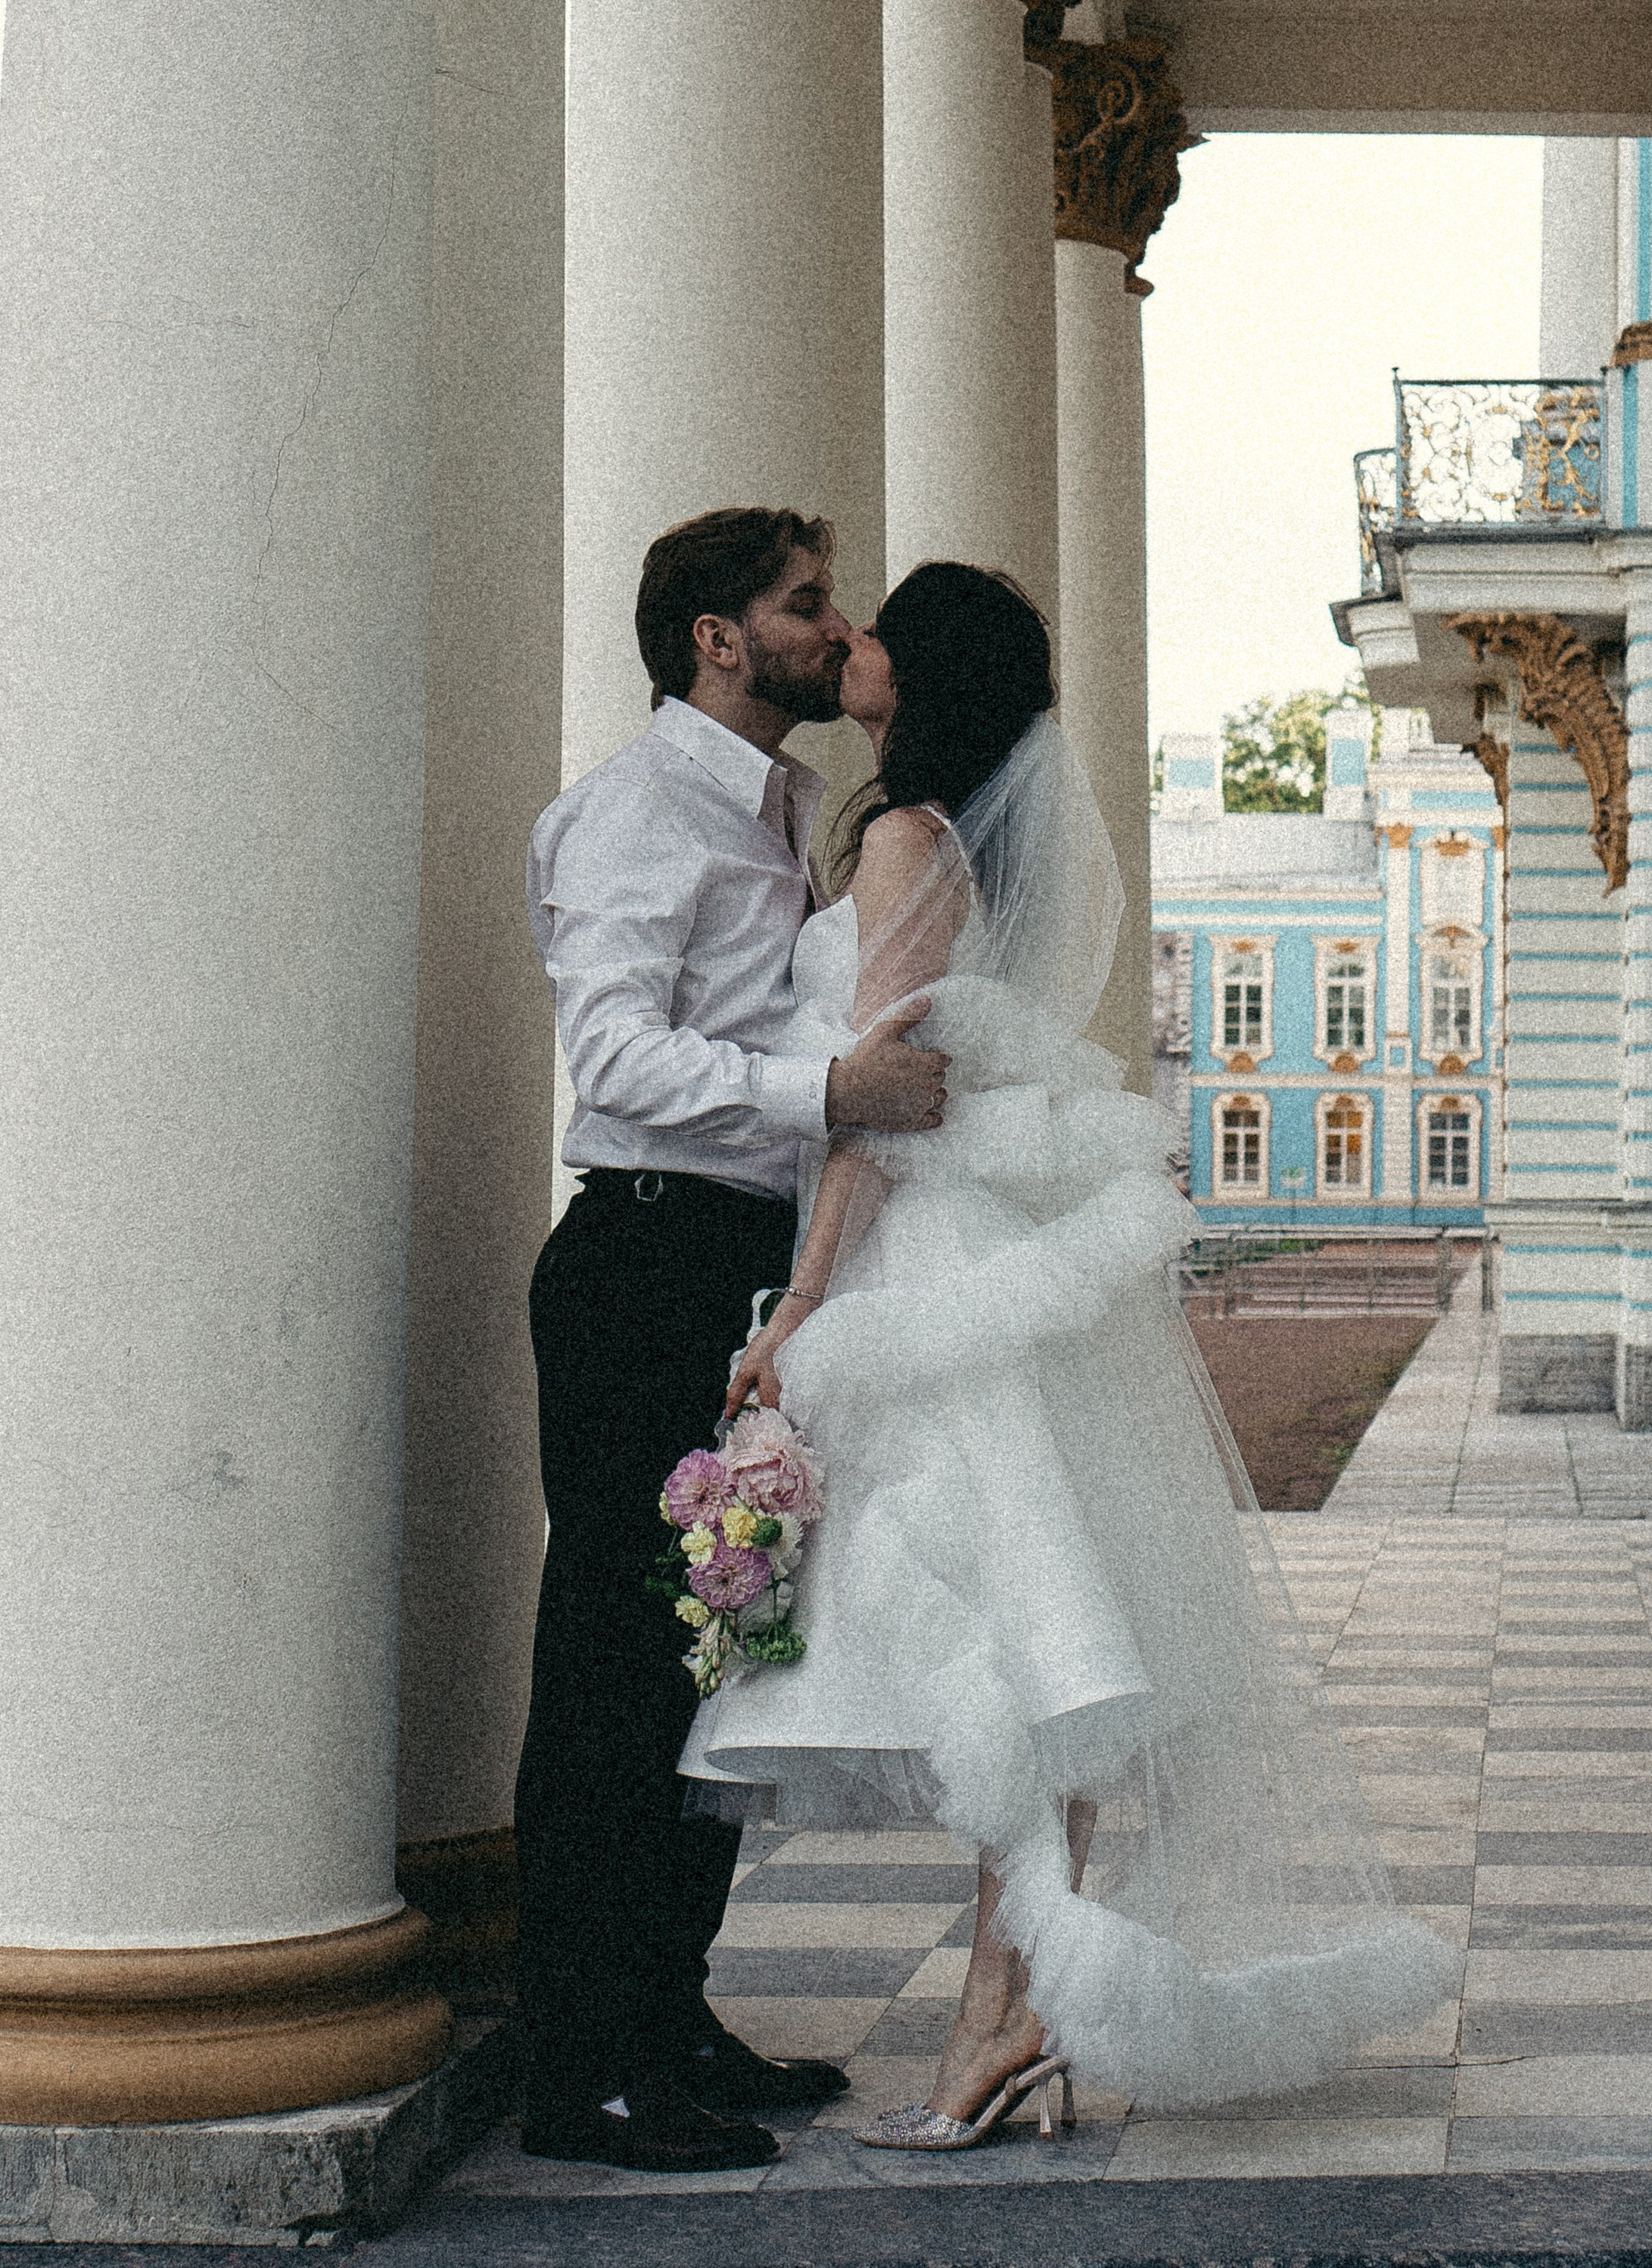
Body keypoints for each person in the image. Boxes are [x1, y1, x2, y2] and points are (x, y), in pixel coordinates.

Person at [686, 562, 1461, 2147]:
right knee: (1048, 1641)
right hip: (993, 1259)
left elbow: (878, 1100)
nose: (850, 644)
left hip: (927, 1263)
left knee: (1027, 1637)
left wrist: (804, 1306)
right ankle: (1014, 2008)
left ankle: (1008, 2012)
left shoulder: (909, 839)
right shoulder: (960, 841)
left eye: (876, 627)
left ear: (929, 672)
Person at [514, 507, 951, 2175]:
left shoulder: (766, 808)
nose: (833, 635)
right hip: (639, 1262)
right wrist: (823, 1091)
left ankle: (664, 2009)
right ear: (713, 636)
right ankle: (582, 2071)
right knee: (617, 1676)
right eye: (802, 607)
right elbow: (613, 1061)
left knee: (712, 1657)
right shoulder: (637, 814)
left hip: (730, 1272)